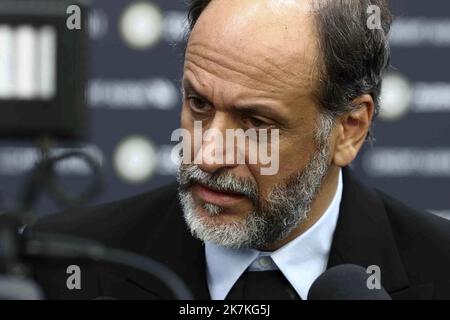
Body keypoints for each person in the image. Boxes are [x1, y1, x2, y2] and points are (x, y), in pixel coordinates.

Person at [29, 0, 450, 300]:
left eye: (256, 124)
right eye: (199, 104)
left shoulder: (439, 267)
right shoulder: (63, 266)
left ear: (349, 129)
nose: (208, 156)